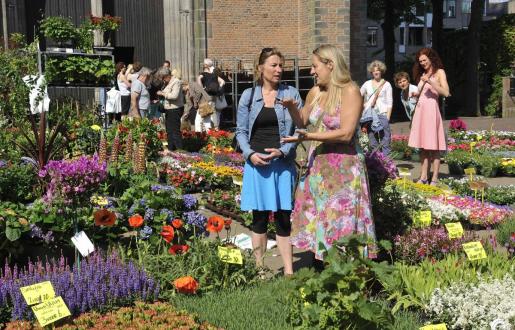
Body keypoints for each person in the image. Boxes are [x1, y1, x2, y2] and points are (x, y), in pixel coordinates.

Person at [282, 44, 377, 263]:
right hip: (319, 167)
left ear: (330, 65)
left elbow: (345, 134)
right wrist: (291, 108)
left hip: (344, 169)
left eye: (315, 66)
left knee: (341, 220)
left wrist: (308, 137)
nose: (312, 71)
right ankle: (322, 268)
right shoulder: (316, 92)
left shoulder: (350, 91)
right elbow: (302, 122)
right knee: (321, 217)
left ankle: (348, 272)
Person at [235, 47, 303, 276]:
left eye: (281, 65)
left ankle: (289, 272)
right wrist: (249, 154)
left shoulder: (291, 94)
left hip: (282, 165)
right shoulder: (249, 95)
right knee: (259, 218)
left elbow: (300, 130)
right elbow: (240, 131)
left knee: (284, 218)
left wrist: (283, 152)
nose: (278, 69)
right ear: (260, 67)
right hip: (257, 165)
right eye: (273, 65)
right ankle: (260, 268)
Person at [409, 47, 450, 185]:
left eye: (424, 60)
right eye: (420, 61)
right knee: (423, 146)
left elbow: (445, 92)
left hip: (432, 112)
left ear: (431, 58)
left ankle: (435, 178)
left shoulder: (439, 72)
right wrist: (416, 94)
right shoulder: (423, 74)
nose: (422, 63)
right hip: (421, 111)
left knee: (434, 146)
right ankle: (423, 176)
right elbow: (423, 92)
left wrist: (430, 81)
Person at [359, 60, 393, 155]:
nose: (376, 72)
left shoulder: (387, 84)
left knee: (385, 139)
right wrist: (362, 106)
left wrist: (388, 117)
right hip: (370, 115)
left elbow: (390, 102)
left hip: (382, 114)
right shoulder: (367, 83)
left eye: (378, 70)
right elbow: (358, 95)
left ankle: (386, 162)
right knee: (372, 139)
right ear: (371, 72)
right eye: (373, 71)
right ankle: (377, 160)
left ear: (381, 71)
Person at [158, 68, 184, 152]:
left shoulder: (176, 82)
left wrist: (163, 94)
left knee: (175, 131)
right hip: (168, 109)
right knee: (169, 131)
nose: (162, 80)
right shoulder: (167, 83)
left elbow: (174, 96)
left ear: (167, 76)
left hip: (175, 109)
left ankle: (180, 151)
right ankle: (171, 149)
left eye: (163, 78)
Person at [197, 58, 226, 128]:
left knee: (203, 114)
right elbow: (223, 82)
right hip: (214, 96)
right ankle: (216, 128)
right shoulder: (214, 75)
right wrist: (219, 88)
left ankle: (203, 130)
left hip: (206, 97)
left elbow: (198, 80)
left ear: (206, 65)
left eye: (204, 64)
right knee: (213, 113)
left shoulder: (203, 74)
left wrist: (202, 89)